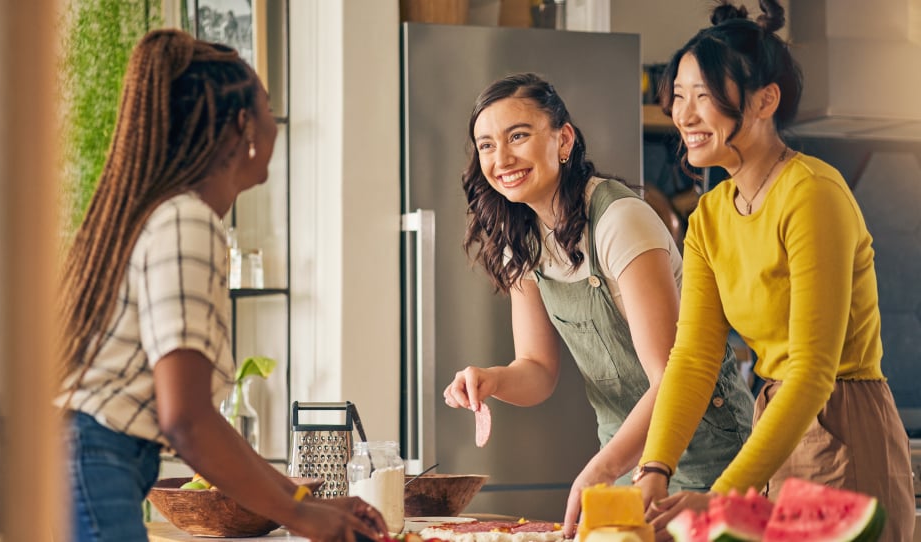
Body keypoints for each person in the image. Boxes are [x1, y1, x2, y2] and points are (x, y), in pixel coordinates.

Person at [56, 29, 387, 542]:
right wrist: (304, 518)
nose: (274, 125)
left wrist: (304, 501)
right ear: (241, 126)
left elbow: (198, 419)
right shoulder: (186, 221)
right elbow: (186, 421)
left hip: (78, 465)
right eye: (267, 109)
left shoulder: (159, 215)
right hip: (94, 467)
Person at [633, 2, 916, 541]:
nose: (684, 115)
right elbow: (692, 359)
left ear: (766, 100)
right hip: (775, 428)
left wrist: (720, 497)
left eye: (705, 97)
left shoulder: (812, 193)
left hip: (845, 423)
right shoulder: (709, 218)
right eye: (679, 96)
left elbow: (812, 372)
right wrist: (655, 469)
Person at [441, 73, 754, 538]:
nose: (501, 158)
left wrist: (600, 469)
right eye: (486, 145)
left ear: (563, 139)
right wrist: (493, 380)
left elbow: (670, 377)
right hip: (624, 459)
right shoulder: (521, 239)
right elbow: (538, 369)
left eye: (518, 136)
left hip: (705, 449)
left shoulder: (619, 222)